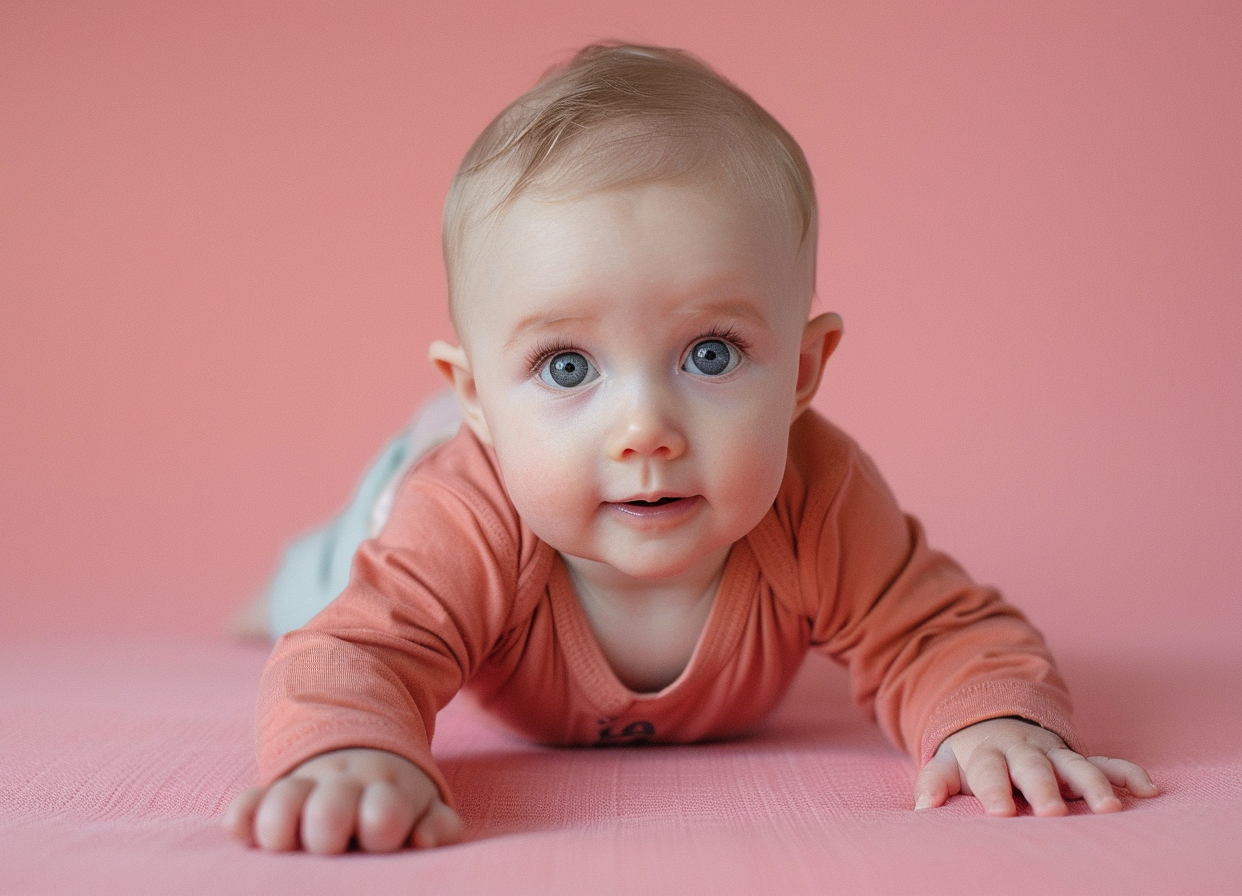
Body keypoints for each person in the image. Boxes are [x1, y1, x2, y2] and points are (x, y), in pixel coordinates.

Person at [224, 43, 1157, 854]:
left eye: (710, 354)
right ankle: (291, 569)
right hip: (416, 492)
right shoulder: (469, 517)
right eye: (566, 364)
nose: (644, 431)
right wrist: (351, 755)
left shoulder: (814, 496)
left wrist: (991, 719)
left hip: (521, 454)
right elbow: (356, 656)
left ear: (800, 370)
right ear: (474, 394)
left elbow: (938, 631)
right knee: (323, 585)